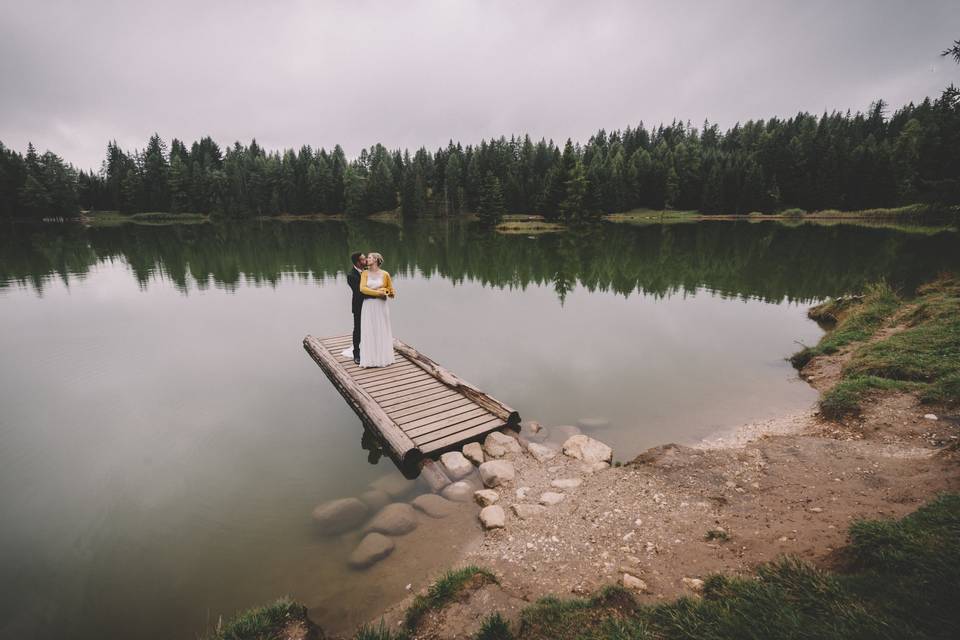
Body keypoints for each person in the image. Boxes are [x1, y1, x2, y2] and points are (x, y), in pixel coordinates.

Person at [358, 252, 396, 367]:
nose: (366, 260)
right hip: (369, 305)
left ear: (375, 260)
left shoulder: (385, 274)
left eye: (369, 258)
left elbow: (391, 291)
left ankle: (383, 357)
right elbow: (362, 289)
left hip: (381, 306)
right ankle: (370, 359)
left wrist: (389, 292)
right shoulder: (364, 273)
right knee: (369, 329)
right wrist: (378, 292)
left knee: (382, 329)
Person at [346, 252, 369, 364]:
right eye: (363, 259)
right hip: (359, 306)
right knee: (358, 329)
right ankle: (356, 353)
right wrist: (378, 293)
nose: (366, 261)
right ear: (357, 262)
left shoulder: (369, 271)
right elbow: (360, 292)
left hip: (371, 306)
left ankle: (369, 350)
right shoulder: (351, 275)